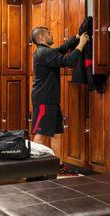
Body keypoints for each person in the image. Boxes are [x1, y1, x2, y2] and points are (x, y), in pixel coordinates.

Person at [30, 26, 89, 154]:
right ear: (41, 37)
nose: (51, 35)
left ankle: (57, 166)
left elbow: (61, 49)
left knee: (57, 134)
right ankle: (33, 168)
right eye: (48, 33)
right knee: (41, 135)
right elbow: (67, 60)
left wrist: (77, 38)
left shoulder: (45, 51)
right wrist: (82, 43)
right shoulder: (43, 53)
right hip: (44, 100)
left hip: (52, 100)